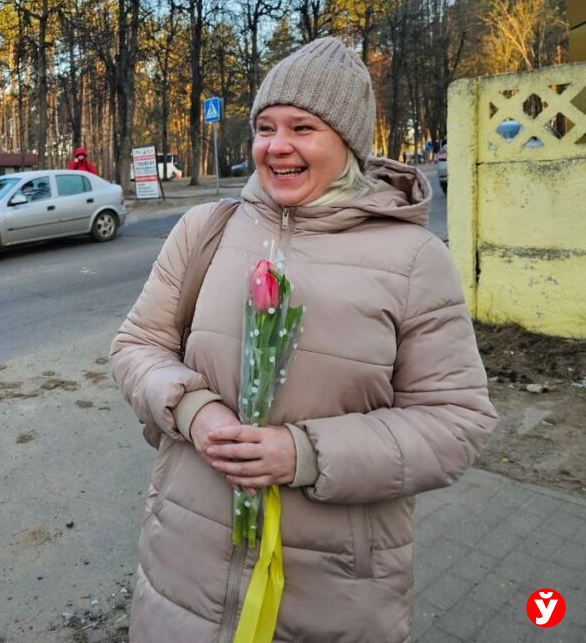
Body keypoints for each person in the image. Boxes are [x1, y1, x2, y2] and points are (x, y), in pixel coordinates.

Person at [110, 37, 497, 643]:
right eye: (265, 127)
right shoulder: (203, 231)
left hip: (333, 587)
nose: (277, 146)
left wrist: (306, 453)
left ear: (347, 142)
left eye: (303, 127)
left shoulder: (414, 258)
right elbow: (136, 346)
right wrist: (191, 408)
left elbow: (457, 421)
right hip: (185, 566)